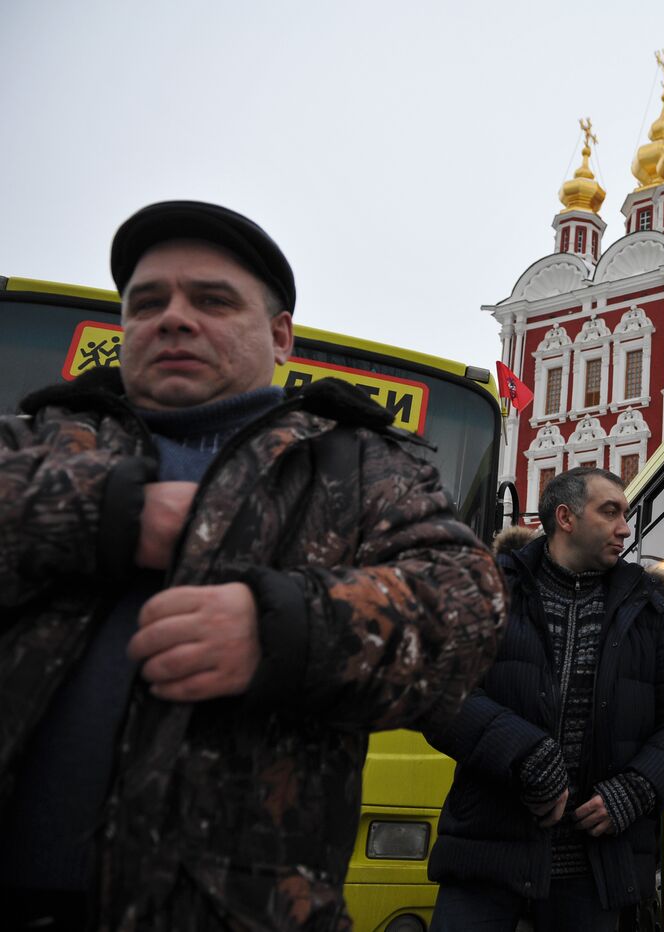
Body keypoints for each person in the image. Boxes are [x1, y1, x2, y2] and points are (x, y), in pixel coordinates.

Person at [0, 201, 506, 931]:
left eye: (211, 300)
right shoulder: (43, 436)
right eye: (148, 303)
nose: (174, 318)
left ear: (279, 336)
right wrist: (100, 514)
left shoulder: (358, 465)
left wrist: (288, 629)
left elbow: (469, 608)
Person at [426, 467, 664, 931]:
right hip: (487, 857)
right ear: (566, 517)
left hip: (594, 874)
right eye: (610, 511)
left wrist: (635, 789)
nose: (625, 528)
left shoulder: (646, 608)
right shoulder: (488, 589)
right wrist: (524, 754)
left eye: (627, 514)